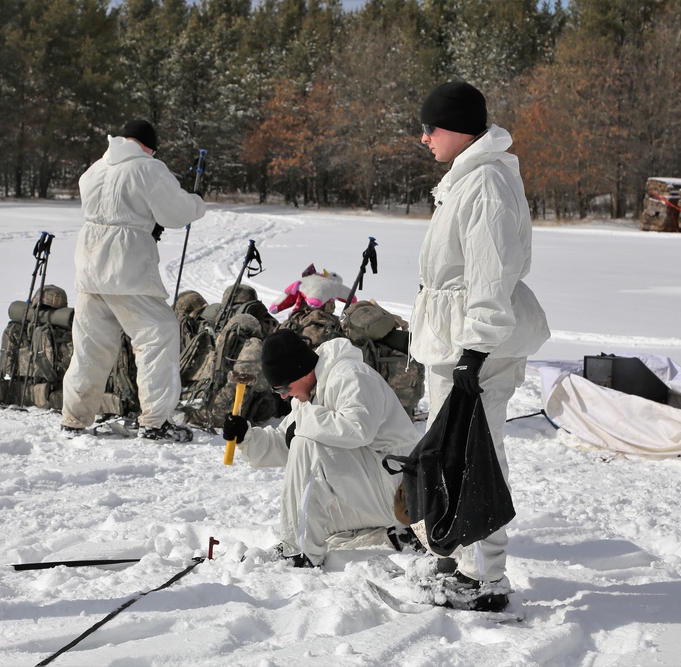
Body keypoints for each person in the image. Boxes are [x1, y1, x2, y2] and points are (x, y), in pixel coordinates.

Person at [410, 82, 550, 611]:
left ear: (455, 127)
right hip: (455, 343)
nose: (424, 138)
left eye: (430, 128)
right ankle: (455, 555)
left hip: (475, 349)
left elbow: (491, 275)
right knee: (454, 454)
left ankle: (487, 578)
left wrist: (475, 349)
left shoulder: (486, 183)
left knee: (478, 458)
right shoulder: (466, 179)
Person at [223, 329, 419, 568]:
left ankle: (301, 553)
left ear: (301, 372)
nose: (284, 396)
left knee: (310, 445)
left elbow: (357, 428)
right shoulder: (311, 394)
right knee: (310, 520)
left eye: (283, 388)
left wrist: (304, 425)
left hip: (400, 489)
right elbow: (285, 441)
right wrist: (246, 438)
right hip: (374, 492)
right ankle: (393, 536)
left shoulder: (351, 376)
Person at [61, 119, 206, 440]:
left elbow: (118, 211)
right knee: (158, 336)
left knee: (89, 348)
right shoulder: (148, 168)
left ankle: (74, 419)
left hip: (88, 268)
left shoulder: (95, 169)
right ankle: (155, 421)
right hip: (127, 270)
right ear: (148, 145)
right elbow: (177, 213)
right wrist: (196, 200)